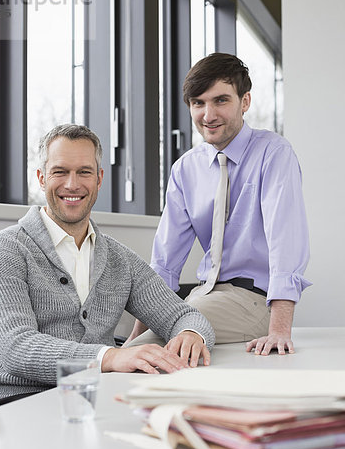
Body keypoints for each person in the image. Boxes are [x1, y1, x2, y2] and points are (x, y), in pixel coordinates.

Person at [0, 124, 214, 402]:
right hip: (19, 401)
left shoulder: (119, 259)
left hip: (96, 397)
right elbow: (16, 349)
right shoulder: (4, 250)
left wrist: (190, 334)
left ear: (99, 179)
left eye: (84, 172)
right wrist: (110, 356)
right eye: (60, 172)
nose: (72, 184)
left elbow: (184, 315)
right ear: (41, 178)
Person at [126, 53, 311, 356]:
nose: (208, 115)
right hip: (204, 294)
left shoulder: (274, 153)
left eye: (221, 100)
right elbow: (165, 259)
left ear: (245, 101)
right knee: (134, 335)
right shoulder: (186, 169)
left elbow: (286, 242)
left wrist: (278, 330)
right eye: (198, 103)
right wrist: (140, 326)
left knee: (156, 343)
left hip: (254, 300)